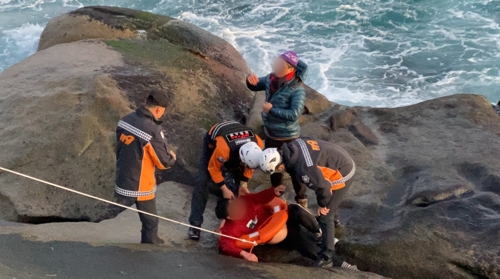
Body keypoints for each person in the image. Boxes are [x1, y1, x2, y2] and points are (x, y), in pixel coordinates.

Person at [259, 138, 357, 268]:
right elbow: (295, 174)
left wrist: (323, 205)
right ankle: (334, 222)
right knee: (329, 207)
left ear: (280, 166)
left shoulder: (305, 168)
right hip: (338, 156)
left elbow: (324, 187)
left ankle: (327, 256)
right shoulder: (290, 150)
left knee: (325, 215)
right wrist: (301, 196)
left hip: (343, 171)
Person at [216, 174, 327, 264]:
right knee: (299, 238)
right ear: (229, 217)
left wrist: (272, 192)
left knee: (294, 209)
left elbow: (259, 197)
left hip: (280, 216)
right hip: (276, 232)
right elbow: (226, 246)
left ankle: (319, 232)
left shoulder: (245, 201)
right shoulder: (230, 229)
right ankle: (326, 259)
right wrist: (245, 254)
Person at [246, 51, 309, 208]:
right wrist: (249, 82)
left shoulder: (297, 88)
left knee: (295, 170)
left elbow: (294, 114)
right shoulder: (270, 78)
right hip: (271, 133)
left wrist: (272, 110)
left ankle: (301, 200)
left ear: (290, 69)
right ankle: (278, 197)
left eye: (279, 64)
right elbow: (256, 84)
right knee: (272, 167)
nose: (275, 65)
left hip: (288, 137)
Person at [114, 90, 177, 244]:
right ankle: (149, 248)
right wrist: (172, 157)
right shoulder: (152, 130)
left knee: (115, 209)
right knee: (150, 222)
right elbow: (163, 162)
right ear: (159, 110)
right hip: (140, 184)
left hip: (122, 176)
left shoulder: (125, 119)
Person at [187, 121, 264, 240]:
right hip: (214, 143)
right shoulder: (224, 149)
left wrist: (243, 184)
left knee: (238, 188)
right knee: (202, 181)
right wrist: (223, 188)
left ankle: (228, 222)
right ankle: (195, 225)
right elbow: (213, 168)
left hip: (237, 144)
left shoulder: (258, 144)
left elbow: (249, 168)